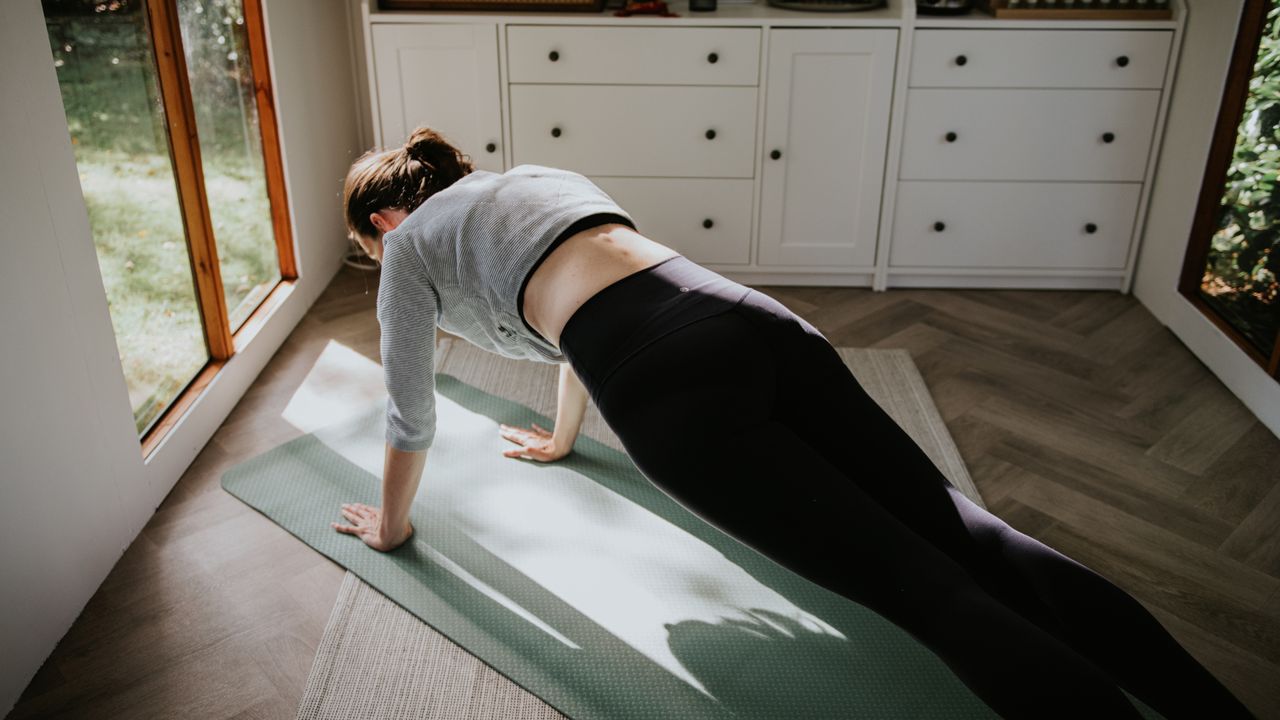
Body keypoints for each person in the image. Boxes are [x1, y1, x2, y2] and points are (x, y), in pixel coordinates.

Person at [332, 126, 1253, 720]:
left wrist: (395, 525)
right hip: (748, 317)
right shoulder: (532, 179)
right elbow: (590, 304)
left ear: (384, 219)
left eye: (370, 250)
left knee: (928, 595)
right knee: (975, 537)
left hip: (663, 383)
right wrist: (567, 437)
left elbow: (413, 409)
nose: (383, 262)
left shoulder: (410, 248)